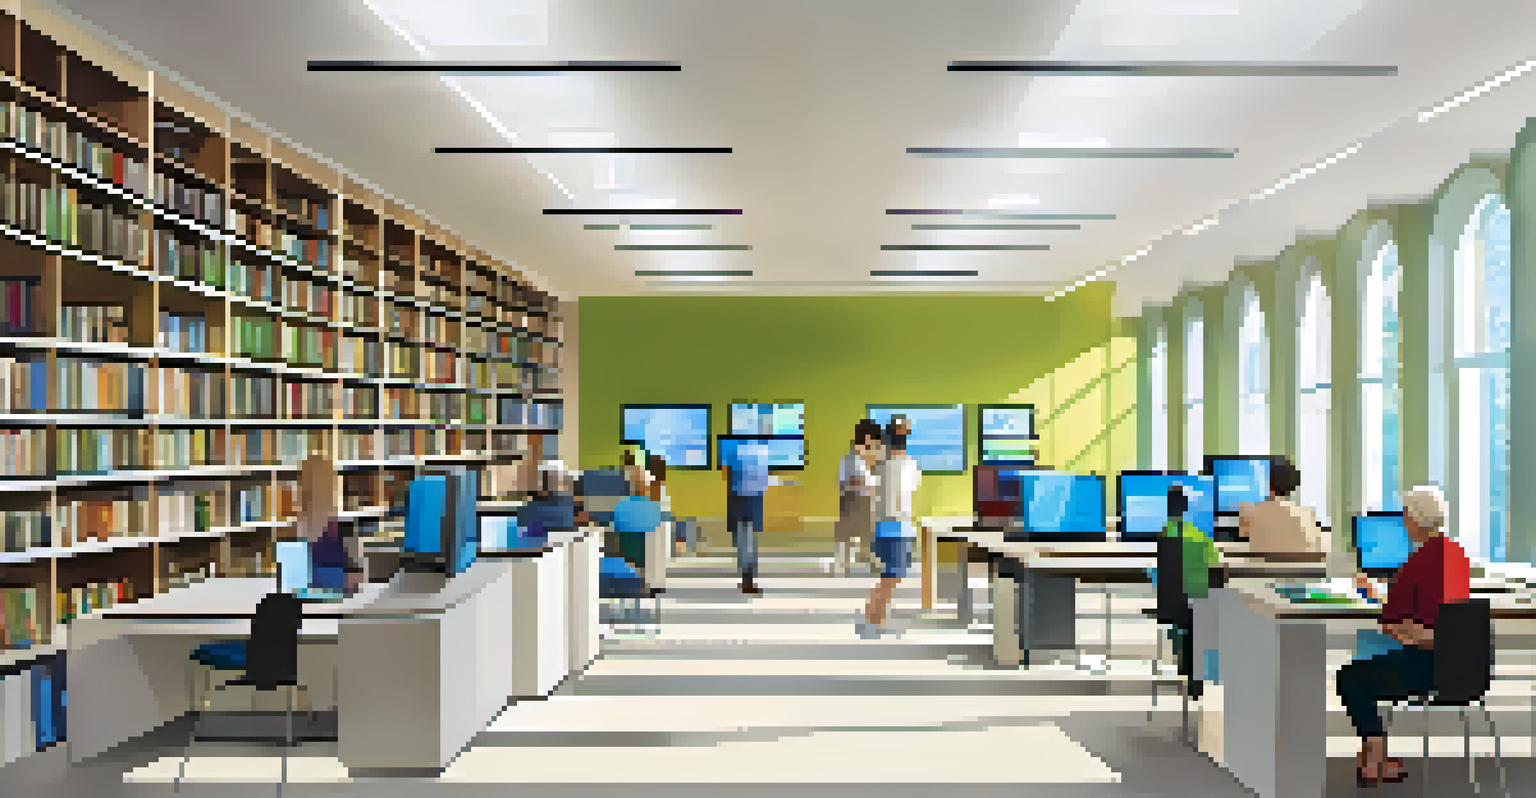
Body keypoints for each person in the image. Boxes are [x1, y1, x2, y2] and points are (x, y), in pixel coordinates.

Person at [1335, 486, 1469, 787]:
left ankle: (1375, 760)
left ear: (1412, 519)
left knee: (1350, 677)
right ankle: (1379, 757)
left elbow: (1390, 622)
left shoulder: (1415, 564)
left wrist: (1380, 600)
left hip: (1428, 669)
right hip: (1466, 670)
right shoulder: (1457, 556)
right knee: (1376, 652)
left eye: (1405, 516)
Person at [858, 419, 921, 639]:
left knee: (889, 576)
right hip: (898, 528)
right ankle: (872, 618)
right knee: (891, 578)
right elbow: (913, 488)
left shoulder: (881, 465)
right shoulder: (909, 464)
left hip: (885, 527)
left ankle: (876, 618)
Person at [1159, 485, 1221, 699]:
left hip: (1170, 604)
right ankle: (1196, 675)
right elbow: (1215, 567)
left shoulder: (1163, 535)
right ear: (1185, 508)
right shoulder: (1199, 535)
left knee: (1183, 619)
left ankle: (1184, 663)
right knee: (1195, 615)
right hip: (1199, 601)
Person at [1237, 457, 1326, 556]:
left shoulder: (1249, 511)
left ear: (1268, 482)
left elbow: (1241, 540)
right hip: (1301, 570)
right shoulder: (1308, 515)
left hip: (1261, 570)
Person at [721, 437, 770, 594]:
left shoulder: (730, 448)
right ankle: (747, 579)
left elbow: (725, 473)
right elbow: (764, 479)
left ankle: (746, 579)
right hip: (752, 500)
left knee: (743, 541)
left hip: (738, 499)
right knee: (749, 540)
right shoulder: (762, 450)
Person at [835, 419, 883, 575]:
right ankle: (847, 562)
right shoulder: (855, 457)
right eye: (876, 442)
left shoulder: (856, 456)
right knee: (855, 531)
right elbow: (856, 481)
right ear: (868, 438)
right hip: (857, 499)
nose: (876, 447)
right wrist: (875, 485)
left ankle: (857, 559)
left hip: (857, 498)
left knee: (861, 532)